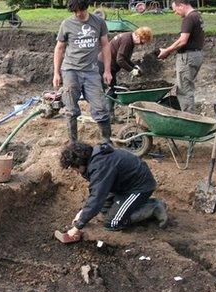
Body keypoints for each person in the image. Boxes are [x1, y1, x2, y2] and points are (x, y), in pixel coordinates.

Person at [55, 142, 168, 244]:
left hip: (138, 187)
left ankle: (153, 206)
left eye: (74, 168)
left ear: (80, 162)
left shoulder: (100, 166)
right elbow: (96, 192)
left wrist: (77, 226)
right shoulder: (93, 158)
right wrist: (83, 212)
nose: (74, 172)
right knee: (104, 209)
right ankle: (132, 205)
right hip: (122, 185)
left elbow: (96, 198)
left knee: (113, 223)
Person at [53, 0, 113, 144]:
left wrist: (107, 70)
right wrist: (56, 73)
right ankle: (73, 143)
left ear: (87, 7)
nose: (78, 14)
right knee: (71, 110)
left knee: (101, 108)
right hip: (70, 71)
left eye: (81, 10)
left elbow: (105, 46)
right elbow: (59, 48)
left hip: (91, 72)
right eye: (75, 11)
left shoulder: (98, 22)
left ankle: (106, 142)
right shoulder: (66, 24)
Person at [157, 0, 205, 113]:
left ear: (181, 6)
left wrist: (166, 51)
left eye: (175, 10)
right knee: (187, 88)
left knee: (184, 90)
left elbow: (183, 41)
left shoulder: (189, 18)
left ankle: (189, 119)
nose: (175, 13)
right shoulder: (198, 16)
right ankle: (189, 115)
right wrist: (169, 51)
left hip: (187, 57)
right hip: (196, 55)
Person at [99, 27, 153, 121]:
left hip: (106, 64)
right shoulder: (127, 41)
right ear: (138, 35)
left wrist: (134, 66)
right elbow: (120, 60)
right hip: (104, 66)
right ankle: (108, 117)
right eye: (142, 42)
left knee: (111, 89)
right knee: (111, 90)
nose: (141, 44)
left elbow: (125, 58)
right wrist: (132, 71)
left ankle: (108, 115)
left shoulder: (128, 38)